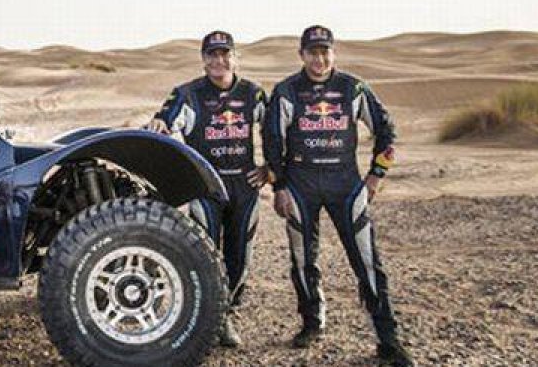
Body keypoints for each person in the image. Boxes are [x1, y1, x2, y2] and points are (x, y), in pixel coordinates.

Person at [263, 26, 413, 366]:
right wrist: (280, 187)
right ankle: (312, 323)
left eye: (325, 51)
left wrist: (376, 175)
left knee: (367, 261)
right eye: (312, 52)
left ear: (334, 53)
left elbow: (386, 131)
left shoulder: (352, 87)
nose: (319, 58)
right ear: (301, 54)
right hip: (300, 187)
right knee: (302, 260)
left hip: (346, 185)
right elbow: (272, 142)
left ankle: (388, 339)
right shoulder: (286, 90)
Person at [148, 30, 269, 348]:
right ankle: (216, 319)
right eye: (212, 55)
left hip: (245, 187)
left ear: (234, 57)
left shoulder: (253, 94)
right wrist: (159, 123)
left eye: (225, 54)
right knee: (205, 255)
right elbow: (164, 121)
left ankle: (224, 309)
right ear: (203, 60)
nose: (219, 60)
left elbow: (274, 132)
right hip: (207, 188)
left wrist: (271, 168)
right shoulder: (187, 94)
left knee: (239, 257)